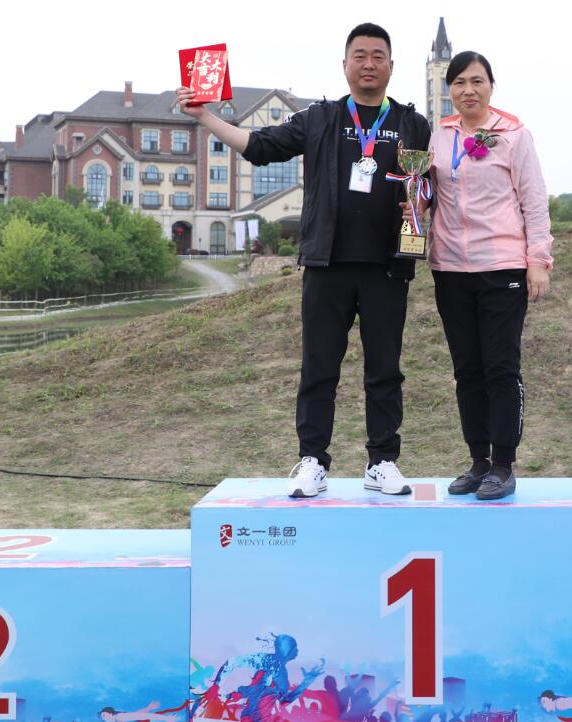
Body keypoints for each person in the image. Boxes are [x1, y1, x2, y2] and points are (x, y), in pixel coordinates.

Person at [176, 23, 431, 498]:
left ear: (391, 66)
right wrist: (204, 116)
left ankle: (382, 462)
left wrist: (421, 205)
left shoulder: (412, 123)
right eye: (360, 55)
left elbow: (427, 185)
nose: (369, 64)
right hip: (325, 264)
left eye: (378, 56)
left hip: (387, 266)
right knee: (319, 367)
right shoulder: (320, 118)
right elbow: (260, 147)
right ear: (345, 64)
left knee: (385, 370)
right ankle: (313, 461)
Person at [421, 51, 553, 500]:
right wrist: (413, 204)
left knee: (500, 368)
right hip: (450, 268)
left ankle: (503, 464)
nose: (468, 90)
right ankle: (478, 461)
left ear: (491, 86)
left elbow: (534, 200)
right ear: (449, 90)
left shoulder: (514, 135)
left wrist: (538, 260)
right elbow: (428, 192)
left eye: (477, 81)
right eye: (459, 82)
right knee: (467, 370)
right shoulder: (439, 135)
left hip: (503, 266)